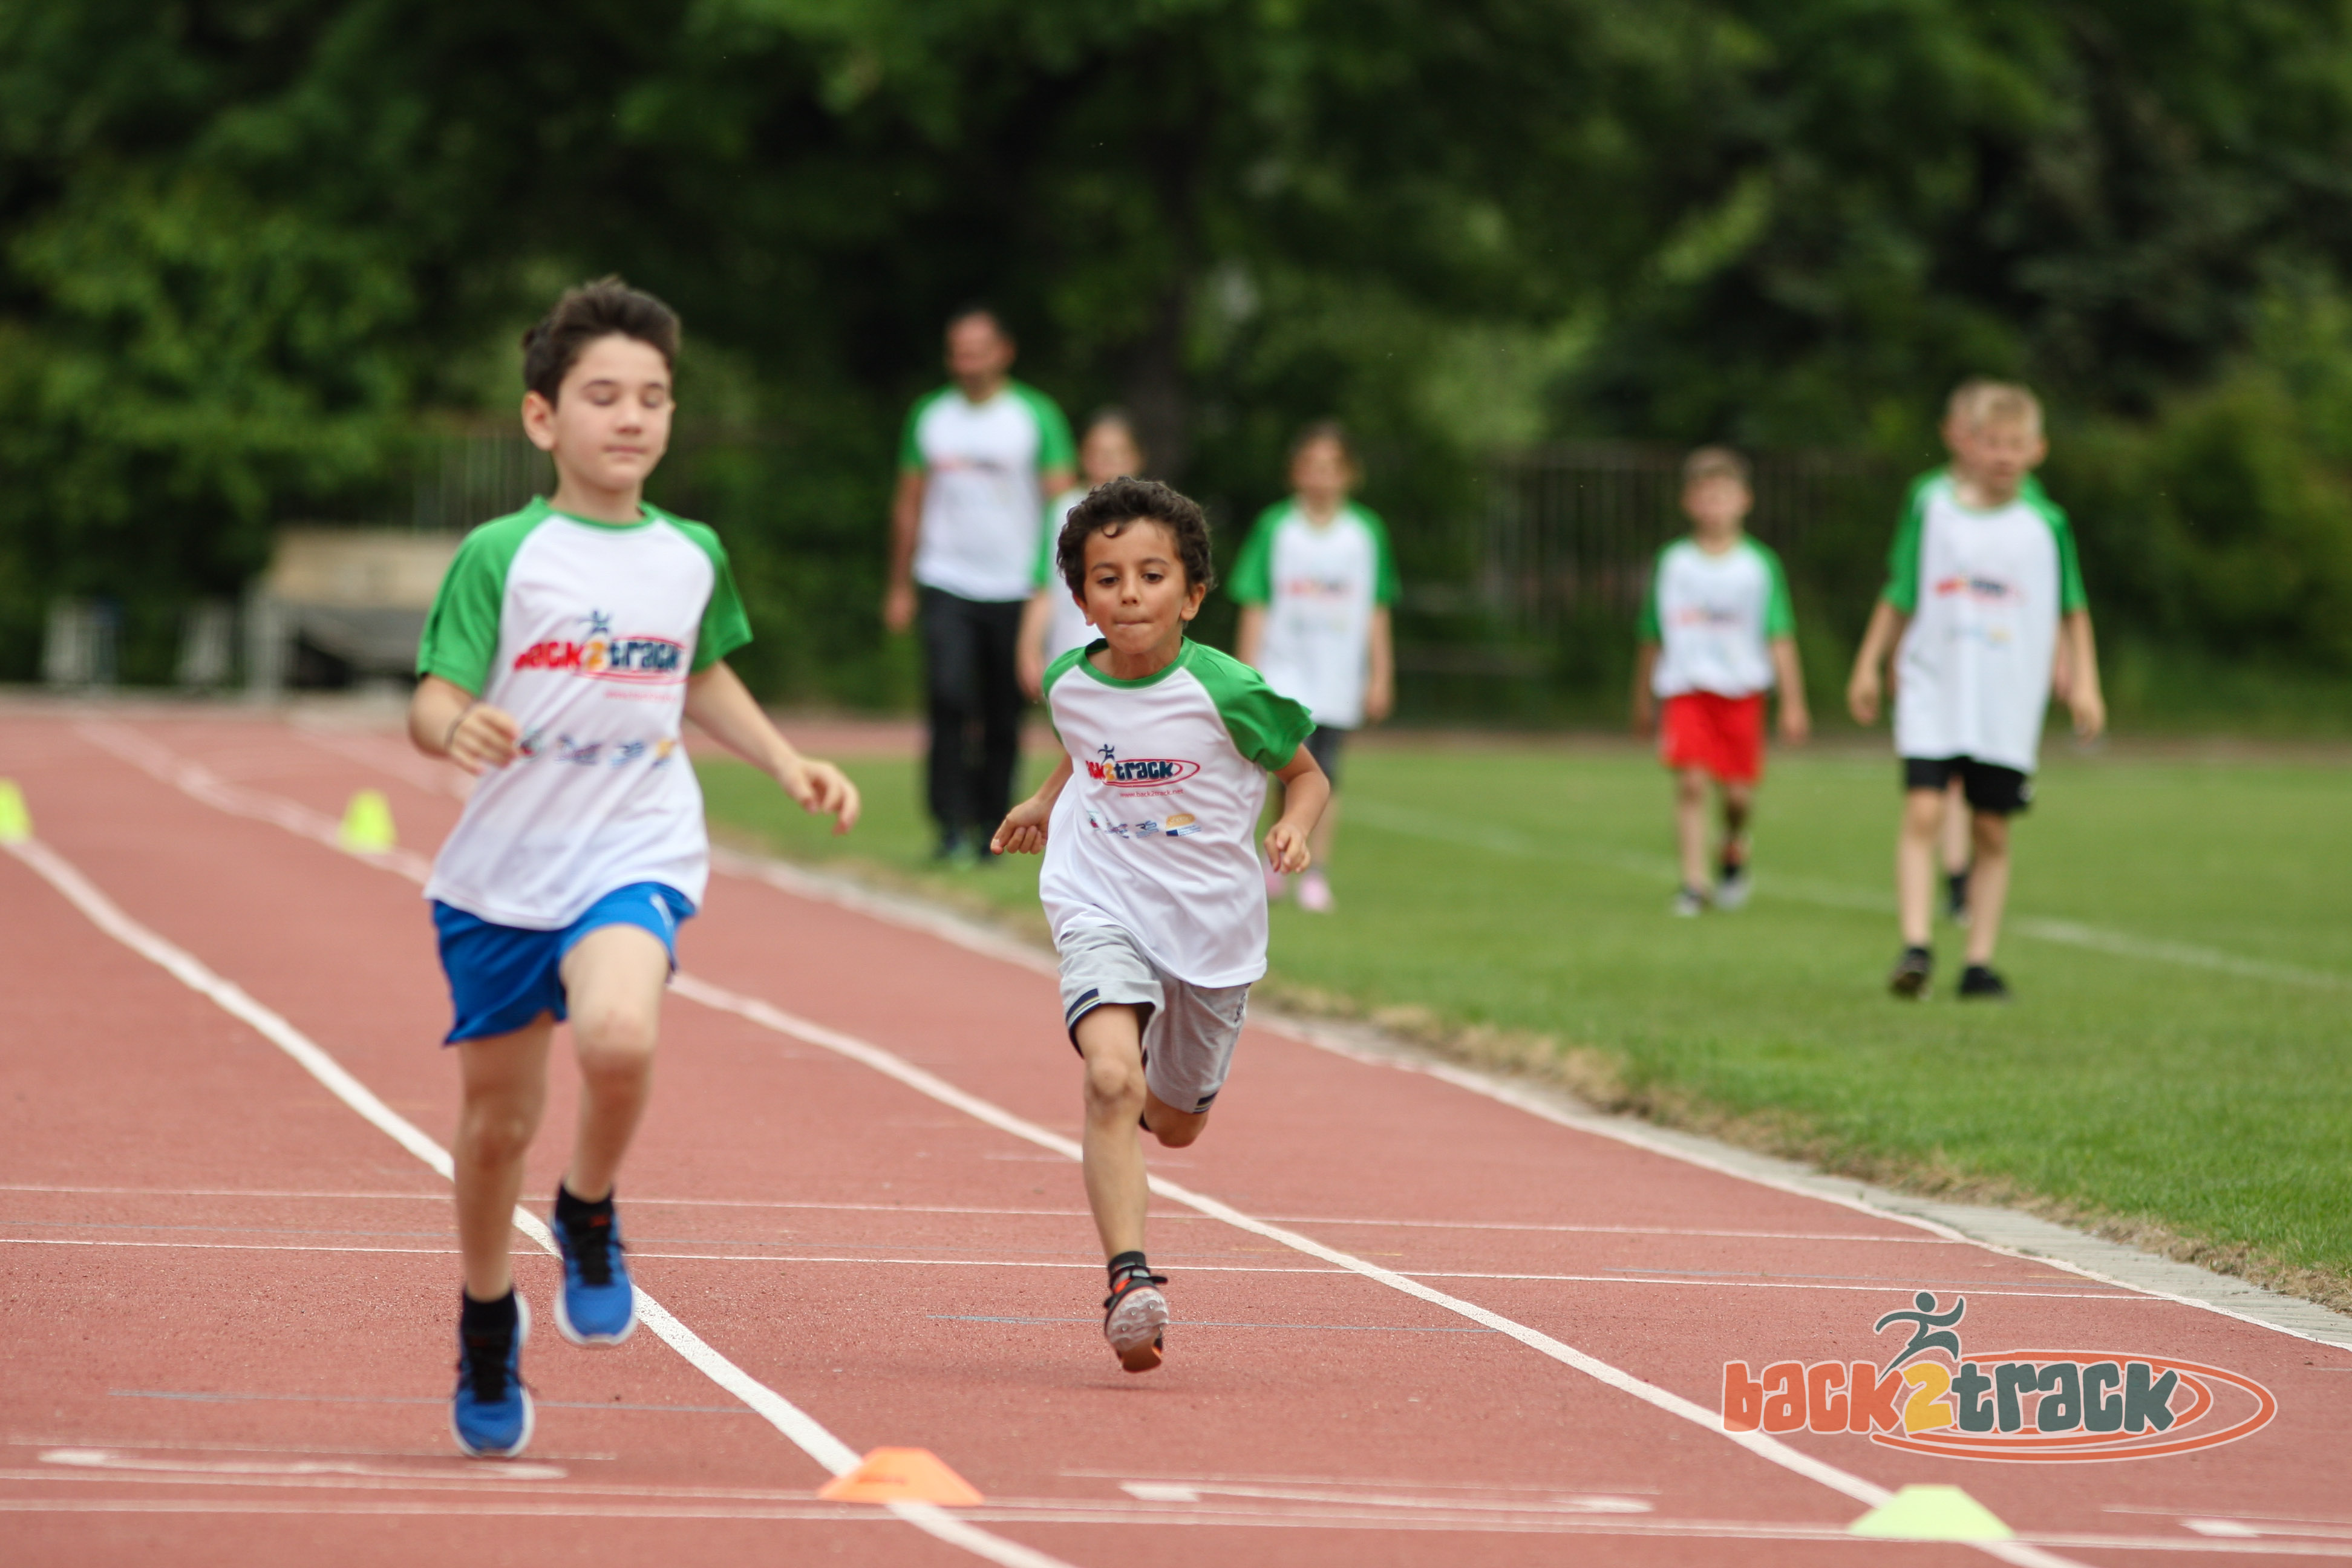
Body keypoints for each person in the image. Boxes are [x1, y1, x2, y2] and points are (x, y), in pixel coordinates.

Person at [408, 279, 860, 1458]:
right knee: (496, 1126)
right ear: (542, 417)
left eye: (653, 397)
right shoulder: (504, 553)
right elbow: (433, 696)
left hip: (635, 839)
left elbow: (697, 672)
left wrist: (785, 760)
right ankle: (487, 1315)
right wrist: (455, 726)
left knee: (618, 1036)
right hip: (505, 868)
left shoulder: (690, 553)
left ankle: (589, 1205)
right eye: (603, 395)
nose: (631, 417)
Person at [990, 476, 1327, 1374]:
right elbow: (1086, 747)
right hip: (1100, 899)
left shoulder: (1229, 690)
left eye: (1151, 576)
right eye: (1107, 579)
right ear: (1081, 600)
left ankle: (1152, 1094)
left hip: (1213, 928)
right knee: (1110, 1080)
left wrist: (1294, 826)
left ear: (1193, 595)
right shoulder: (1069, 682)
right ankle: (1128, 1281)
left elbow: (1306, 774)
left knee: (1174, 1125)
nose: (1130, 595)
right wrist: (1045, 799)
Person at [1846, 379, 2105, 1001]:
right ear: (1968, 443)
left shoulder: (2045, 524)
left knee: (1991, 830)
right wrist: (1868, 663)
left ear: (2037, 450)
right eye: (1992, 442)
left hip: (2004, 699)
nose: (2003, 456)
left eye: (2016, 444)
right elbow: (1900, 590)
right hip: (1935, 688)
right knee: (1925, 810)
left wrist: (2085, 682)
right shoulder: (1934, 511)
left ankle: (1978, 963)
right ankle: (1916, 946)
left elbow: (2072, 608)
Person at [884, 309, 1076, 862]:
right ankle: (949, 825)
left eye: (978, 349)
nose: (967, 360)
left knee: (1002, 711)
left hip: (1015, 584)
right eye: (958, 350)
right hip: (945, 578)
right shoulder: (931, 416)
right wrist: (899, 584)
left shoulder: (1035, 415)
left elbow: (1065, 506)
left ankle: (993, 824)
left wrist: (1060, 583)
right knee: (948, 698)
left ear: (1003, 352)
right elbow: (909, 502)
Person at [1631, 447, 1809, 916]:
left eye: (1723, 496)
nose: (1714, 507)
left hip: (1741, 690)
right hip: (1686, 687)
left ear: (1744, 500)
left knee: (1736, 795)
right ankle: (1694, 884)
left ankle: (1732, 844)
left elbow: (1779, 634)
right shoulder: (1673, 563)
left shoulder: (1759, 566)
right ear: (1688, 502)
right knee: (1691, 783)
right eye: (1705, 496)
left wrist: (1793, 702)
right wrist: (1642, 698)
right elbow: (1651, 633)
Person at [1229, 422, 1397, 912]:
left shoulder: (1365, 534)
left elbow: (1377, 607)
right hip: (1284, 670)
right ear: (1295, 473)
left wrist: (1381, 674)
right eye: (1311, 466)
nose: (1321, 477)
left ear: (1349, 474)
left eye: (1331, 467)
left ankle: (1316, 870)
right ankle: (1275, 859)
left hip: (1338, 673)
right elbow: (1255, 599)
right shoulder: (1276, 528)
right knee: (1282, 768)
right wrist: (1246, 671)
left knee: (1327, 772)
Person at [1016, 408, 1146, 699]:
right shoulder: (1062, 511)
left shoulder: (1151, 517)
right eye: (1098, 452)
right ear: (1083, 456)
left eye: (1117, 453)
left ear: (1136, 458)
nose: (1107, 461)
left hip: (1135, 648)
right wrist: (1029, 649)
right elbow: (1046, 585)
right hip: (1072, 645)